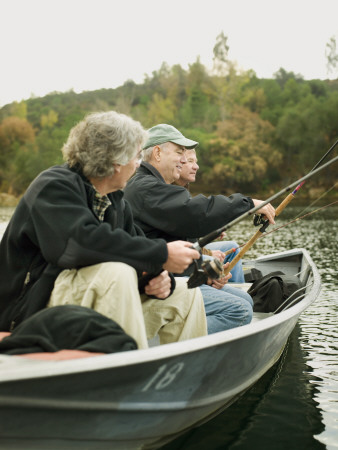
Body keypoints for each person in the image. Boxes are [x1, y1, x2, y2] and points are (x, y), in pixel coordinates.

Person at [0, 112, 208, 349]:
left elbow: (134, 248)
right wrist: (161, 254)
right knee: (116, 273)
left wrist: (157, 279)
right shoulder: (53, 186)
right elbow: (79, 244)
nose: (139, 164)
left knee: (184, 293)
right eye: (137, 156)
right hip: (30, 314)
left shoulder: (116, 202)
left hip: (84, 302)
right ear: (115, 160)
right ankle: (127, 378)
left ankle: (186, 379)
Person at [124, 124, 276, 334]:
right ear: (158, 153)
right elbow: (195, 213)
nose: (184, 160)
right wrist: (248, 204)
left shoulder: (150, 185)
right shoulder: (147, 187)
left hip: (165, 276)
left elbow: (178, 230)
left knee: (245, 300)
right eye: (179, 153)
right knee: (239, 310)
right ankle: (171, 349)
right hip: (154, 285)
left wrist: (204, 274)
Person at [174, 148, 245, 283]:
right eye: (190, 161)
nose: (196, 166)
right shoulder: (171, 193)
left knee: (232, 247)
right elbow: (177, 241)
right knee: (214, 260)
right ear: (178, 162)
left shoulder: (182, 189)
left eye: (196, 161)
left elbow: (187, 232)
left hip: (190, 250)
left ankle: (236, 287)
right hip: (181, 259)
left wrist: (209, 231)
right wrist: (209, 254)